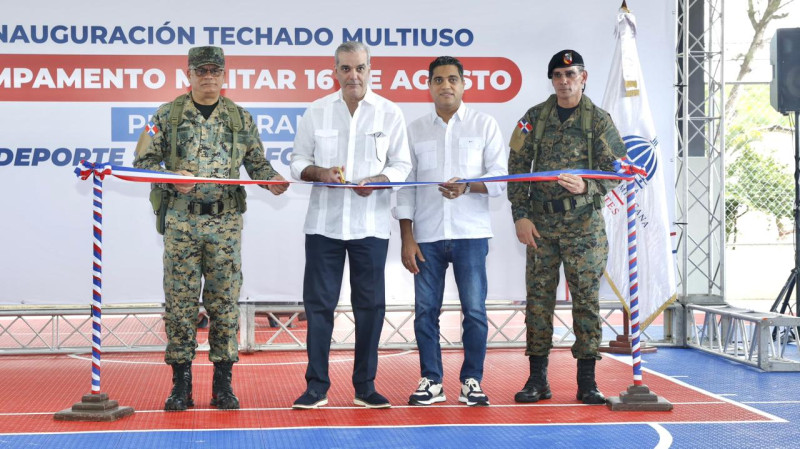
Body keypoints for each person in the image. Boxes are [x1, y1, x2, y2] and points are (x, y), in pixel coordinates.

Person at [133, 46, 289, 411]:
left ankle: (223, 385)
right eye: (200, 70)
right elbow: (142, 162)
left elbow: (256, 163)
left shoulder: (240, 118)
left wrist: (273, 180)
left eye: (214, 70)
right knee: (180, 304)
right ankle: (181, 386)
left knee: (223, 303)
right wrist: (172, 179)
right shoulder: (167, 115)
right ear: (188, 73)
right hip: (181, 222)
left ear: (224, 74)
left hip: (225, 225)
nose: (208, 76)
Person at [289, 41, 412, 409]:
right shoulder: (317, 111)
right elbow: (297, 161)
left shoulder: (390, 113)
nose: (353, 75)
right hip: (324, 226)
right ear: (335, 71)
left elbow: (402, 165)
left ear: (371, 69)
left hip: (370, 227)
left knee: (370, 307)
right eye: (345, 68)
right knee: (318, 306)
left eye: (359, 68)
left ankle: (365, 386)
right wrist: (320, 173)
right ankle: (316, 387)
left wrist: (381, 179)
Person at [507, 49, 626, 405]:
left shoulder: (599, 120)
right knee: (539, 303)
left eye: (570, 74)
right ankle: (537, 380)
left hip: (584, 228)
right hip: (540, 224)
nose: (564, 81)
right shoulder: (533, 118)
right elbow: (515, 167)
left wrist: (590, 186)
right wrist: (521, 216)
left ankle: (587, 382)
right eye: (558, 75)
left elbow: (617, 168)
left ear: (583, 77)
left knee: (586, 303)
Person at [394, 56, 508, 407]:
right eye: (439, 79)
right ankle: (431, 380)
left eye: (453, 79)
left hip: (470, 235)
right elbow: (405, 187)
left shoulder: (484, 124)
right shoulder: (413, 130)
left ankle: (472, 381)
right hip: (426, 235)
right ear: (429, 86)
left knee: (474, 311)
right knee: (426, 311)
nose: (446, 85)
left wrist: (468, 187)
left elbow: (500, 179)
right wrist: (407, 237)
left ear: (463, 84)